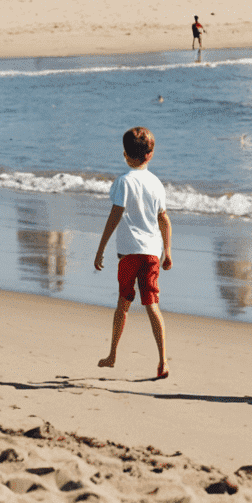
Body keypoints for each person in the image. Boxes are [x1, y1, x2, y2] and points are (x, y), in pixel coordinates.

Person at [93, 126, 172, 379]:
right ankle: (163, 361)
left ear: (125, 155)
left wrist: (101, 247)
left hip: (128, 254)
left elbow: (115, 214)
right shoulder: (157, 184)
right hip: (151, 254)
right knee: (152, 306)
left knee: (123, 306)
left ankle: (113, 355)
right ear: (150, 155)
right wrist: (167, 251)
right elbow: (164, 220)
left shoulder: (123, 181)